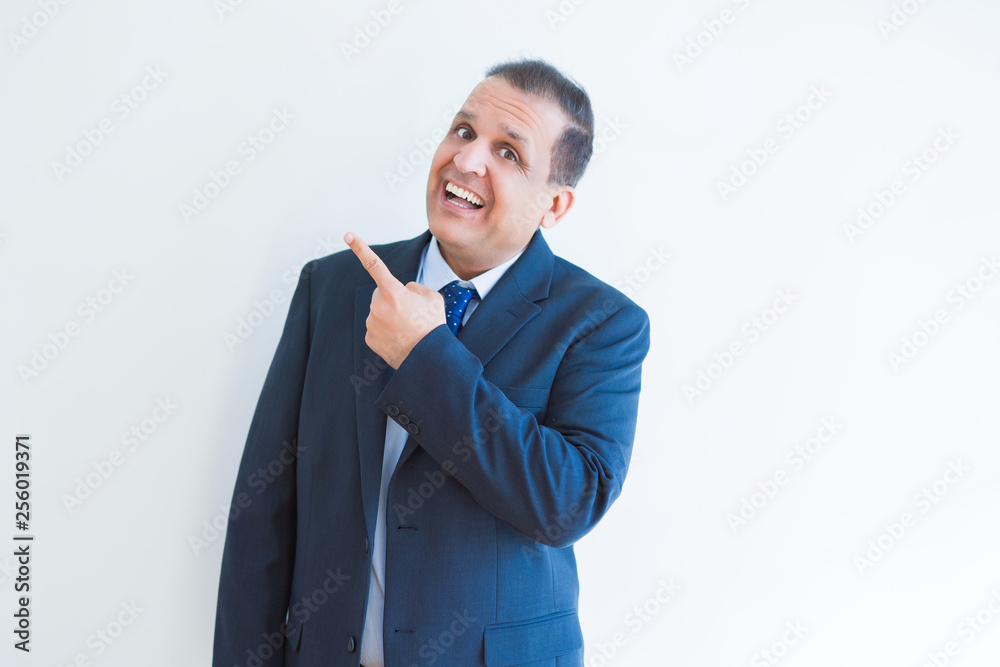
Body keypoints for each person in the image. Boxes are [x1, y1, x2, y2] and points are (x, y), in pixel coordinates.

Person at [213, 58, 651, 667]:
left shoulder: (603, 323)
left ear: (554, 205)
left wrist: (426, 355)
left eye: (508, 152)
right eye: (464, 131)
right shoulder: (333, 288)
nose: (467, 160)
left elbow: (567, 503)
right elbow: (262, 513)